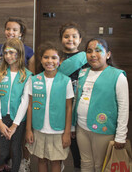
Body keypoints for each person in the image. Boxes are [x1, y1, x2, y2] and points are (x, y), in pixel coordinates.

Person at [73, 38, 129, 172]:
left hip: (103, 130)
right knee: (85, 162)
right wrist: (73, 126)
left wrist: (121, 135)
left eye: (98, 51)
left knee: (100, 165)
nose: (93, 55)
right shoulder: (83, 73)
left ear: (108, 54)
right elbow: (76, 99)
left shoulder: (117, 76)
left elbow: (123, 107)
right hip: (82, 128)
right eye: (89, 51)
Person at [25, 42, 74, 172]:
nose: (50, 61)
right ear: (41, 59)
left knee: (55, 161)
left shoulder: (66, 81)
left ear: (60, 61)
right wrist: (28, 129)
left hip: (58, 131)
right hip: (39, 129)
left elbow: (69, 108)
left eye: (54, 57)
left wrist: (67, 132)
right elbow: (29, 106)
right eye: (46, 57)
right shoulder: (34, 80)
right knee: (41, 159)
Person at [0, 38, 32, 172]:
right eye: (6, 53)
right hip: (2, 118)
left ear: (20, 54)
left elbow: (25, 101)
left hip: (18, 120)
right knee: (2, 151)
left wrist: (15, 125)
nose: (8, 56)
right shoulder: (0, 73)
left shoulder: (27, 75)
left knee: (16, 149)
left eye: (12, 52)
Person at [58, 22, 87, 170]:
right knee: (57, 144)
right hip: (59, 106)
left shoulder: (86, 58)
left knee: (78, 147)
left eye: (74, 36)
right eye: (66, 36)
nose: (70, 39)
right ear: (61, 39)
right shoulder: (55, 57)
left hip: (79, 108)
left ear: (80, 39)